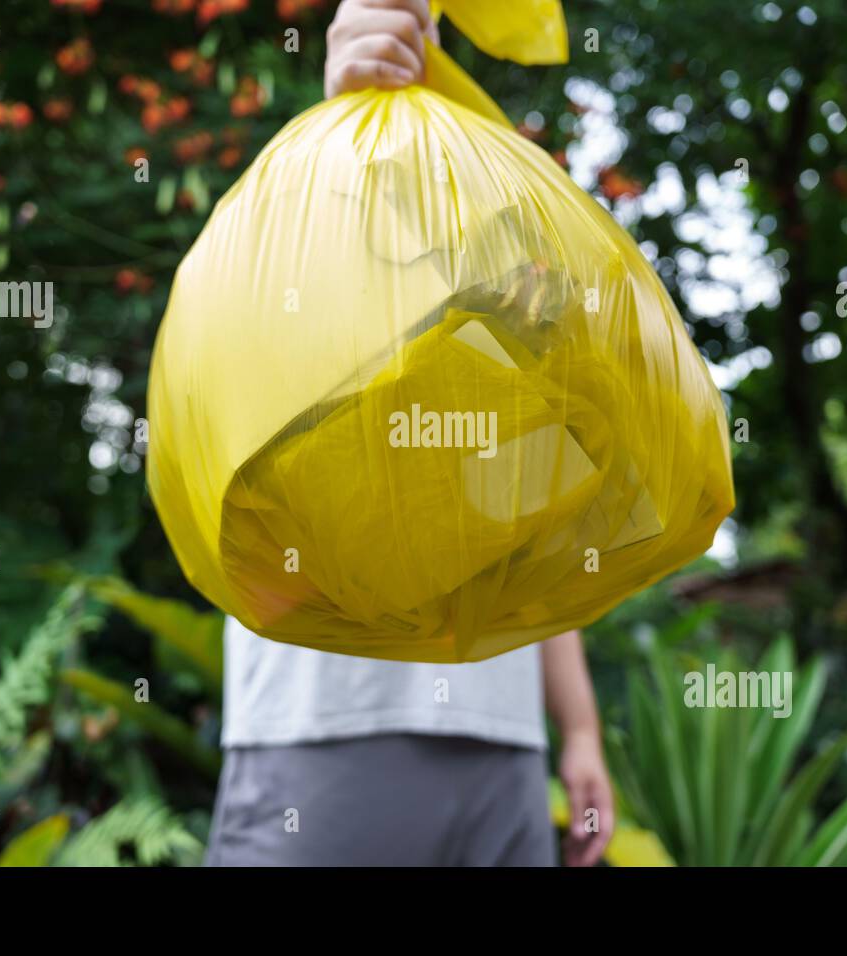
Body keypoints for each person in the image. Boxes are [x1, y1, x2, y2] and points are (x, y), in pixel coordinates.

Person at [203, 0, 614, 867]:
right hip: (327, 731)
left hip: (503, 750)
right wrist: (346, 109)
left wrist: (577, 729)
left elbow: (528, 530)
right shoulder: (297, 241)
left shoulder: (508, 297)